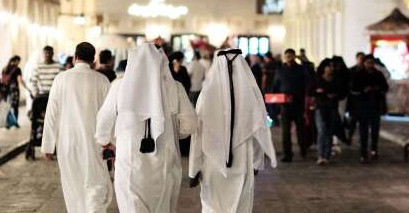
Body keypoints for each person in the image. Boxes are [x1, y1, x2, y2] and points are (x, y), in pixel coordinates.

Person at [96, 43, 197, 213]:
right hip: (165, 164)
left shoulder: (119, 86)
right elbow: (190, 125)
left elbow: (104, 120)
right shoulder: (175, 87)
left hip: (130, 164)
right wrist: (173, 134)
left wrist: (105, 141)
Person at [188, 49, 277, 212]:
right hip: (243, 163)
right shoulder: (252, 95)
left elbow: (197, 137)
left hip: (212, 164)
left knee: (214, 206)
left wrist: (193, 169)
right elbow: (259, 129)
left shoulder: (206, 95)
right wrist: (257, 161)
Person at [42, 42, 113, 212]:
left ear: (75, 57)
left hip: (67, 143)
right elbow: (111, 115)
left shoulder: (61, 79)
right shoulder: (102, 80)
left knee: (72, 187)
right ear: (93, 59)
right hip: (94, 143)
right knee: (95, 184)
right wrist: (112, 141)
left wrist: (48, 145)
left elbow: (51, 114)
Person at [351, 54, 389, 163]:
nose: (370, 65)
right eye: (368, 63)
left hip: (375, 105)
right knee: (363, 130)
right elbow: (354, 89)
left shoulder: (378, 74)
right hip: (363, 105)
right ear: (364, 63)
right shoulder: (359, 74)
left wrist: (377, 89)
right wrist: (364, 90)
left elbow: (385, 88)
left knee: (375, 129)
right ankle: (363, 152)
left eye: (371, 63)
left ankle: (374, 149)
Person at [273, 49, 309, 162]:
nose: (289, 58)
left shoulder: (301, 69)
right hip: (285, 105)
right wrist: (276, 99)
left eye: (291, 56)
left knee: (301, 129)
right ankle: (287, 154)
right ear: (285, 57)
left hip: (298, 104)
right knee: (285, 131)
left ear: (294, 56)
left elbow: (307, 82)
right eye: (287, 56)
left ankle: (303, 149)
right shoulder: (280, 70)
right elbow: (275, 86)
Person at [313, 59, 344, 165]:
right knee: (322, 131)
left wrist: (331, 94)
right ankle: (321, 155)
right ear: (324, 67)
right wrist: (320, 92)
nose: (331, 68)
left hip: (332, 108)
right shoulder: (318, 79)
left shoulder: (336, 80)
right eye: (329, 66)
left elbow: (341, 93)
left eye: (332, 66)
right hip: (320, 108)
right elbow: (311, 91)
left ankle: (327, 156)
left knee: (330, 132)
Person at [0, 56, 29, 123]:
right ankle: (15, 122)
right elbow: (20, 80)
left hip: (5, 90)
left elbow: (2, 80)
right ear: (16, 60)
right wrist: (26, 87)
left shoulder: (5, 68)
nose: (19, 63)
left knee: (7, 106)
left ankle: (7, 122)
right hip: (14, 90)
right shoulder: (17, 69)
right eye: (19, 61)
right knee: (15, 107)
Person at [346, 52, 366, 144]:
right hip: (354, 99)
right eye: (360, 58)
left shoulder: (366, 71)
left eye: (363, 58)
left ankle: (361, 139)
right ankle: (350, 136)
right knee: (353, 120)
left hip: (364, 99)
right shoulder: (351, 71)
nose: (361, 60)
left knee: (363, 121)